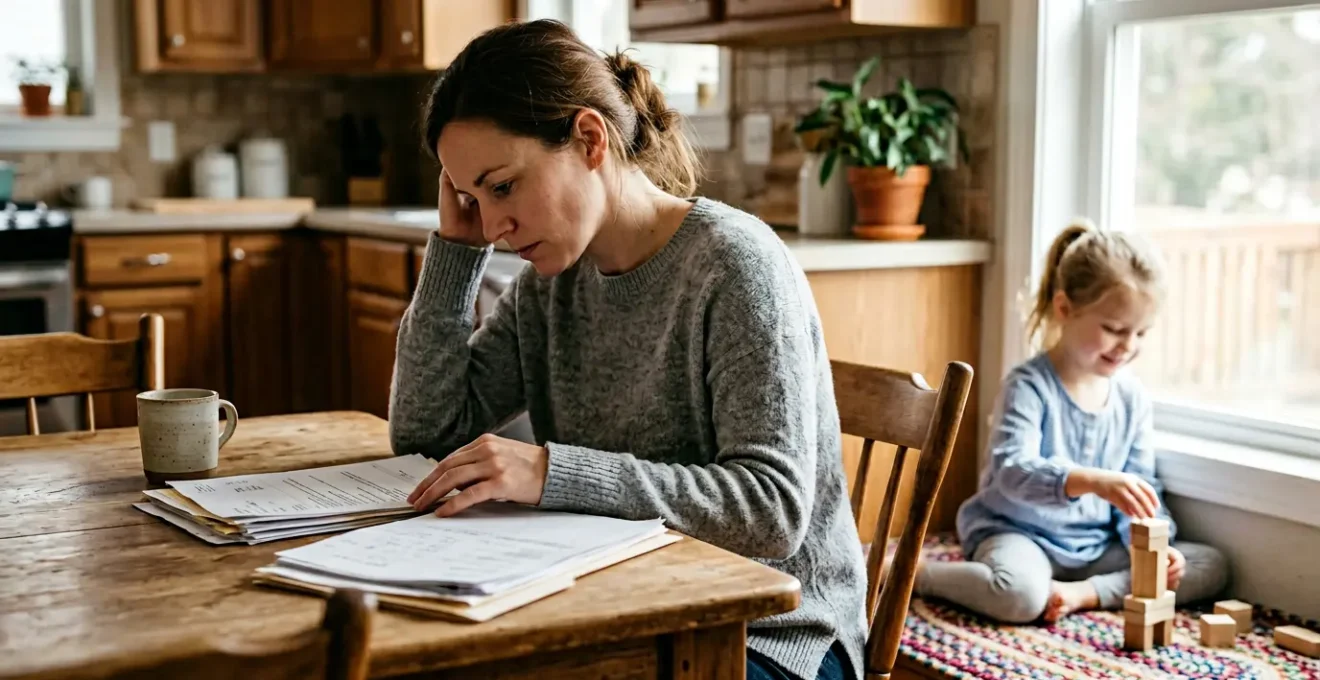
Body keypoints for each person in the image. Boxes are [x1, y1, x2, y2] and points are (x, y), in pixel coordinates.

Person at [390, 19, 866, 680]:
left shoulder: (735, 265)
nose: (493, 224)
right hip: (621, 604)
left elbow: (771, 512)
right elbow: (426, 433)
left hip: (769, 636)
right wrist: (455, 252)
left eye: (502, 186)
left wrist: (552, 473)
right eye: (472, 197)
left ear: (589, 139)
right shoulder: (548, 286)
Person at [916, 220, 1228, 623]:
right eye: (1114, 329)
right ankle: (917, 575)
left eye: (1141, 333)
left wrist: (1156, 546)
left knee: (1208, 564)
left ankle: (1085, 594)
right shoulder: (1028, 385)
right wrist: (1092, 480)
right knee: (1020, 596)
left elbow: (1141, 490)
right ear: (1064, 309)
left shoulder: (1131, 398)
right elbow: (1011, 471)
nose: (1128, 346)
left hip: (1093, 550)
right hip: (1019, 535)